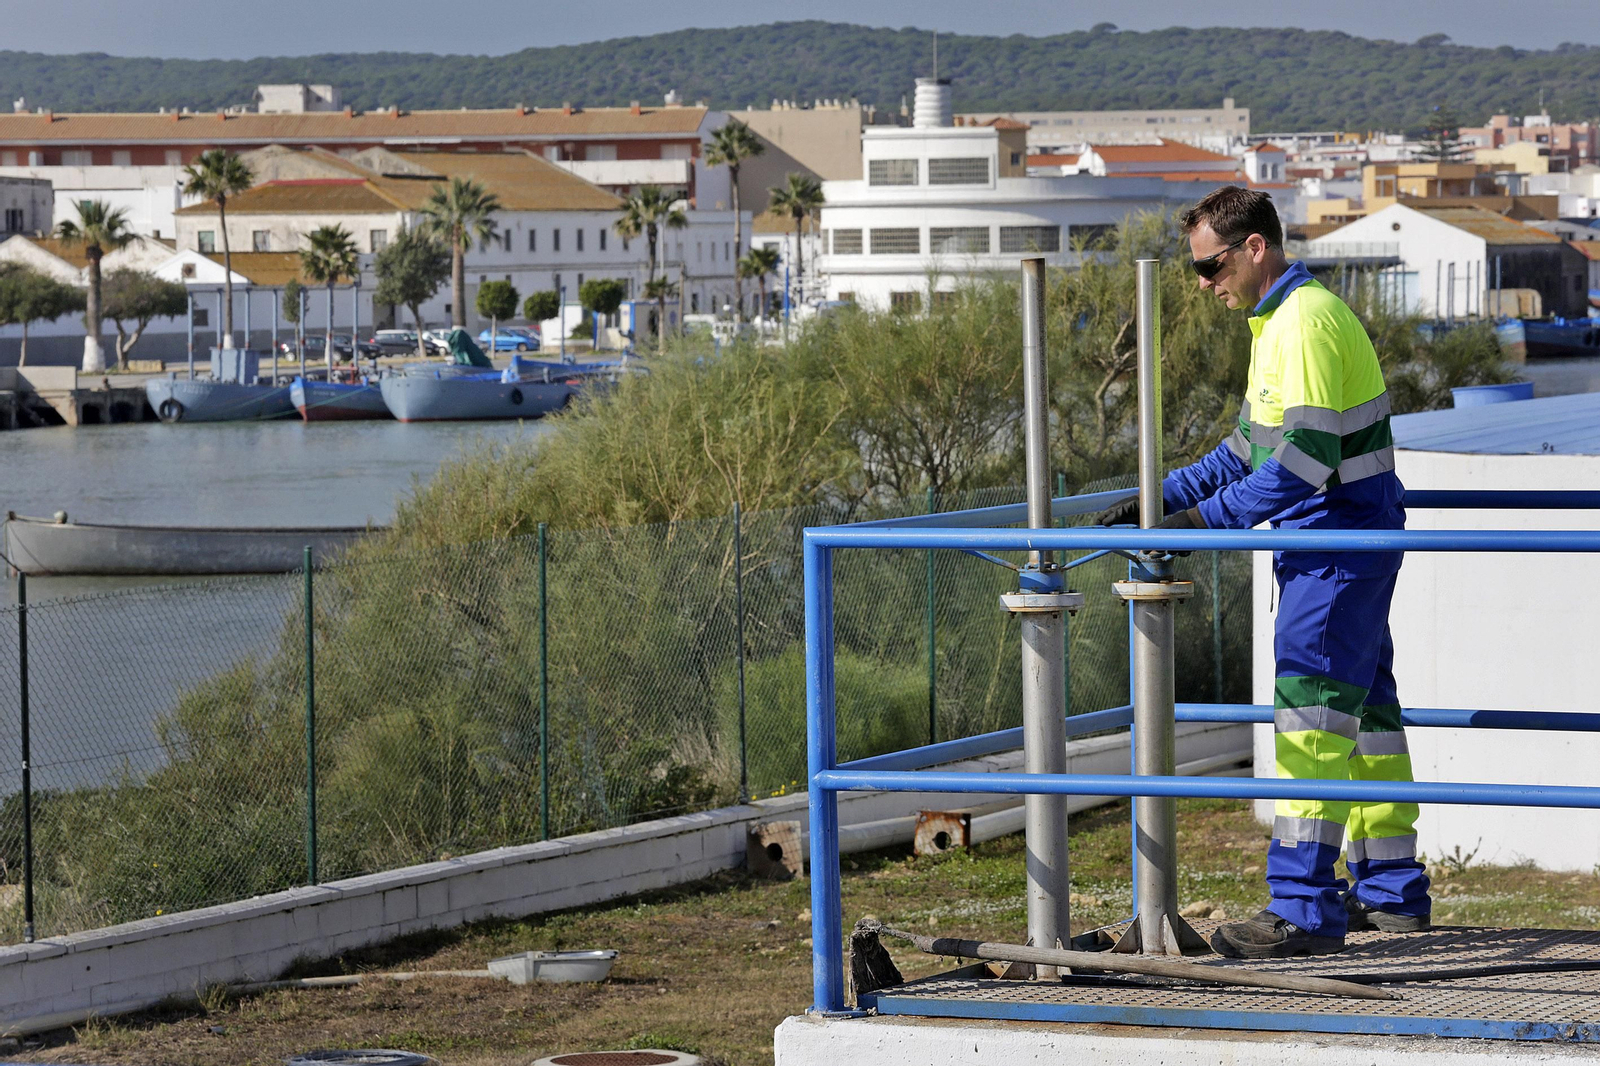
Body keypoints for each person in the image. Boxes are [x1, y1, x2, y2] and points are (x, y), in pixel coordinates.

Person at [1097, 186, 1431, 959]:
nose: (1204, 284)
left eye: (1209, 267)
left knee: (1311, 721)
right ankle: (1390, 892)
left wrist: (1200, 525)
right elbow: (1245, 451)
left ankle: (1305, 912)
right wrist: (1158, 499)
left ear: (1254, 248)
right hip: (1343, 546)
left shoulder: (1304, 323)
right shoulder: (1278, 323)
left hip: (1335, 549)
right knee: (1367, 717)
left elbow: (1303, 464)